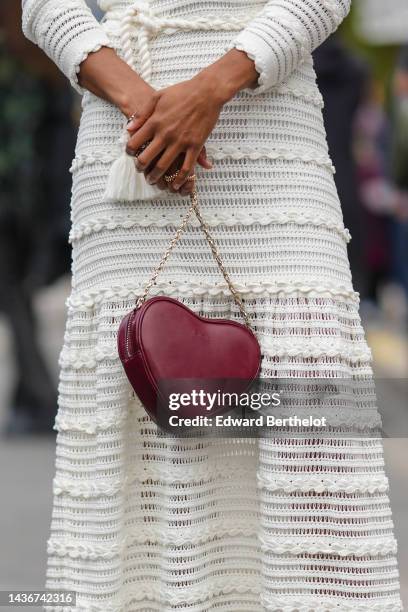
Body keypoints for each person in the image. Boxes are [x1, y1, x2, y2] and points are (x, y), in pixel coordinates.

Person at [22, 0, 402, 609]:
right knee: (148, 387)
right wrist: (145, 109)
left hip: (271, 134)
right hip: (126, 145)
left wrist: (209, 90)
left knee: (311, 408)